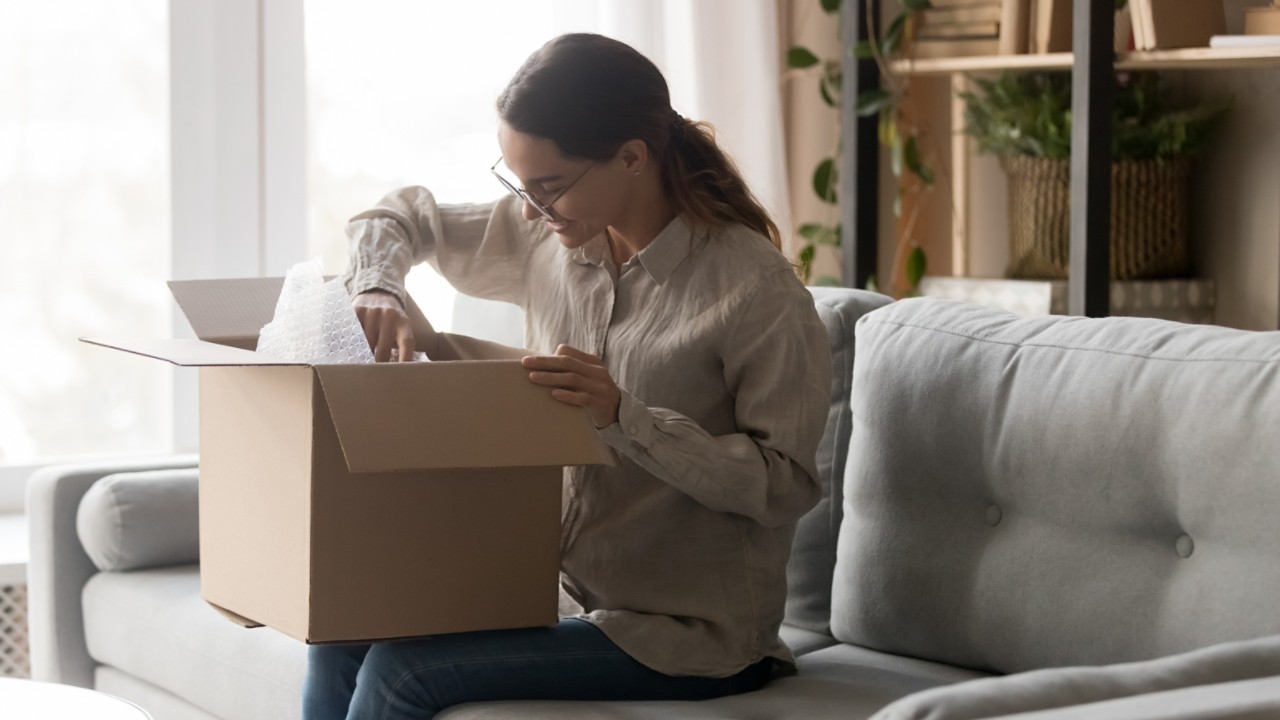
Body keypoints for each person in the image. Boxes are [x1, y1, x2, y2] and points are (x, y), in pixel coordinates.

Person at [304, 32, 831, 720]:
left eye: (549, 186)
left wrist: (625, 418)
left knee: (404, 675)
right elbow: (399, 214)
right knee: (339, 630)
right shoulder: (549, 238)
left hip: (685, 636)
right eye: (518, 183)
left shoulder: (754, 291)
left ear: (633, 157)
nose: (529, 209)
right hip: (550, 596)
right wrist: (376, 286)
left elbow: (783, 487)